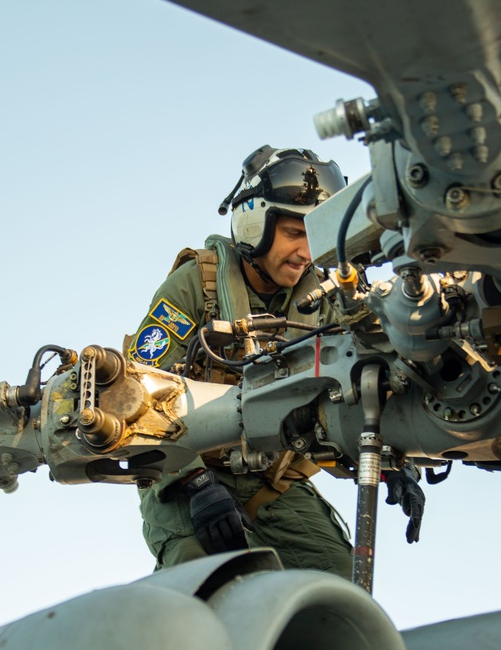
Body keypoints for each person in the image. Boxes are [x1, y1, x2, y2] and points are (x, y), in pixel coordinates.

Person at [127, 145, 360, 579]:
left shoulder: (325, 302)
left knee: (337, 580)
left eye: (315, 236)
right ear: (256, 225)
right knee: (209, 580)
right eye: (295, 233)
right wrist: (194, 482)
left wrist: (390, 460)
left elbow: (355, 383)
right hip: (183, 470)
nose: (306, 252)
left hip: (273, 483)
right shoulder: (197, 285)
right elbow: (134, 390)